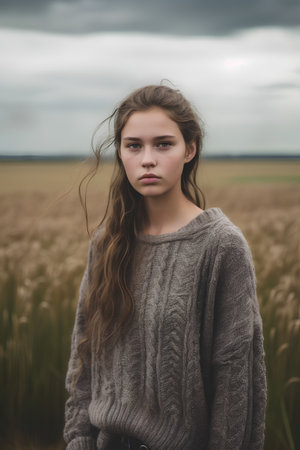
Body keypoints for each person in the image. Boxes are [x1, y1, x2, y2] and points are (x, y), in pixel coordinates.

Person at [63, 84, 267, 450]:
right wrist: (78, 440)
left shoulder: (221, 246)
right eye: (133, 145)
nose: (147, 159)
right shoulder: (108, 243)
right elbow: (84, 354)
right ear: (121, 153)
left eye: (163, 144)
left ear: (190, 149)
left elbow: (234, 377)